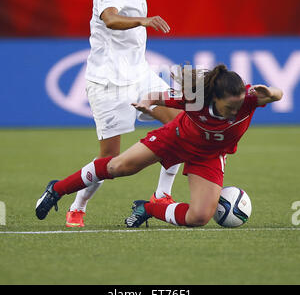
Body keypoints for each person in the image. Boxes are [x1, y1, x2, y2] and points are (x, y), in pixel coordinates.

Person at [35, 64, 283, 228]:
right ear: (214, 98)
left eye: (238, 104)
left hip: (208, 156)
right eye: (229, 106)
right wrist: (145, 104)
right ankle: (57, 189)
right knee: (118, 167)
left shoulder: (248, 99)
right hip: (175, 138)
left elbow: (278, 94)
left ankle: (149, 209)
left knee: (198, 217)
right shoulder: (194, 101)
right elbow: (156, 96)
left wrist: (270, 92)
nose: (235, 110)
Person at [65, 0, 181, 228]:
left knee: (183, 126)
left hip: (140, 76)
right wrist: (144, 20)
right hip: (109, 83)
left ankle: (161, 197)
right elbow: (110, 18)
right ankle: (77, 205)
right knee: (109, 162)